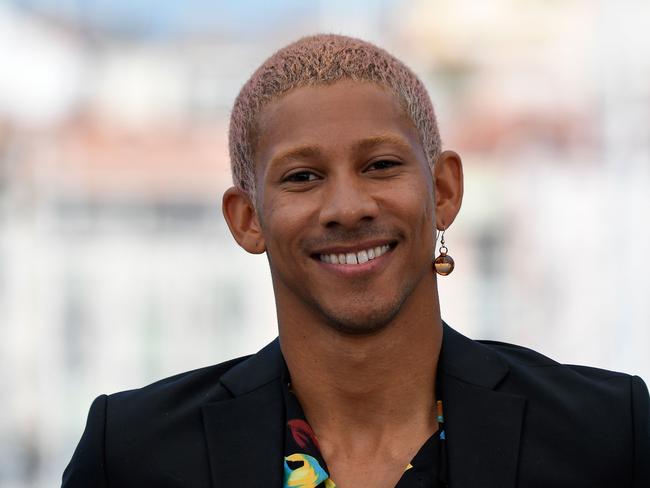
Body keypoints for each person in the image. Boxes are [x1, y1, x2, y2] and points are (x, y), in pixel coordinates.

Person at [62, 34, 650, 488]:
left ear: (443, 190)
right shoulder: (135, 453)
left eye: (381, 165)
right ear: (247, 219)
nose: (347, 207)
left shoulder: (607, 434)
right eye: (302, 176)